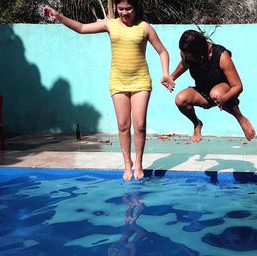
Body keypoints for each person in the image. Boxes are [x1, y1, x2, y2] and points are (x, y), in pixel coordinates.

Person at [44, 0, 174, 181]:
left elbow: (162, 51)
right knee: (123, 125)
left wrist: (166, 72)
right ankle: (127, 164)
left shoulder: (145, 27)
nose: (124, 13)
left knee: (139, 126)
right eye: (120, 9)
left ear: (135, 8)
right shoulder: (110, 25)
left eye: (128, 9)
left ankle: (138, 163)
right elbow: (81, 28)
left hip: (140, 81)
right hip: (118, 81)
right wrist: (58, 16)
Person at [165, 30, 256, 143]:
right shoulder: (186, 54)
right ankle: (197, 124)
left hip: (223, 91)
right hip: (202, 91)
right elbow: (184, 64)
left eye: (190, 55)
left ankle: (241, 118)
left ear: (199, 51)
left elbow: (238, 86)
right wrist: (172, 77)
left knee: (215, 93)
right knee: (180, 99)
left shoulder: (221, 56)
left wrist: (224, 98)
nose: (187, 57)